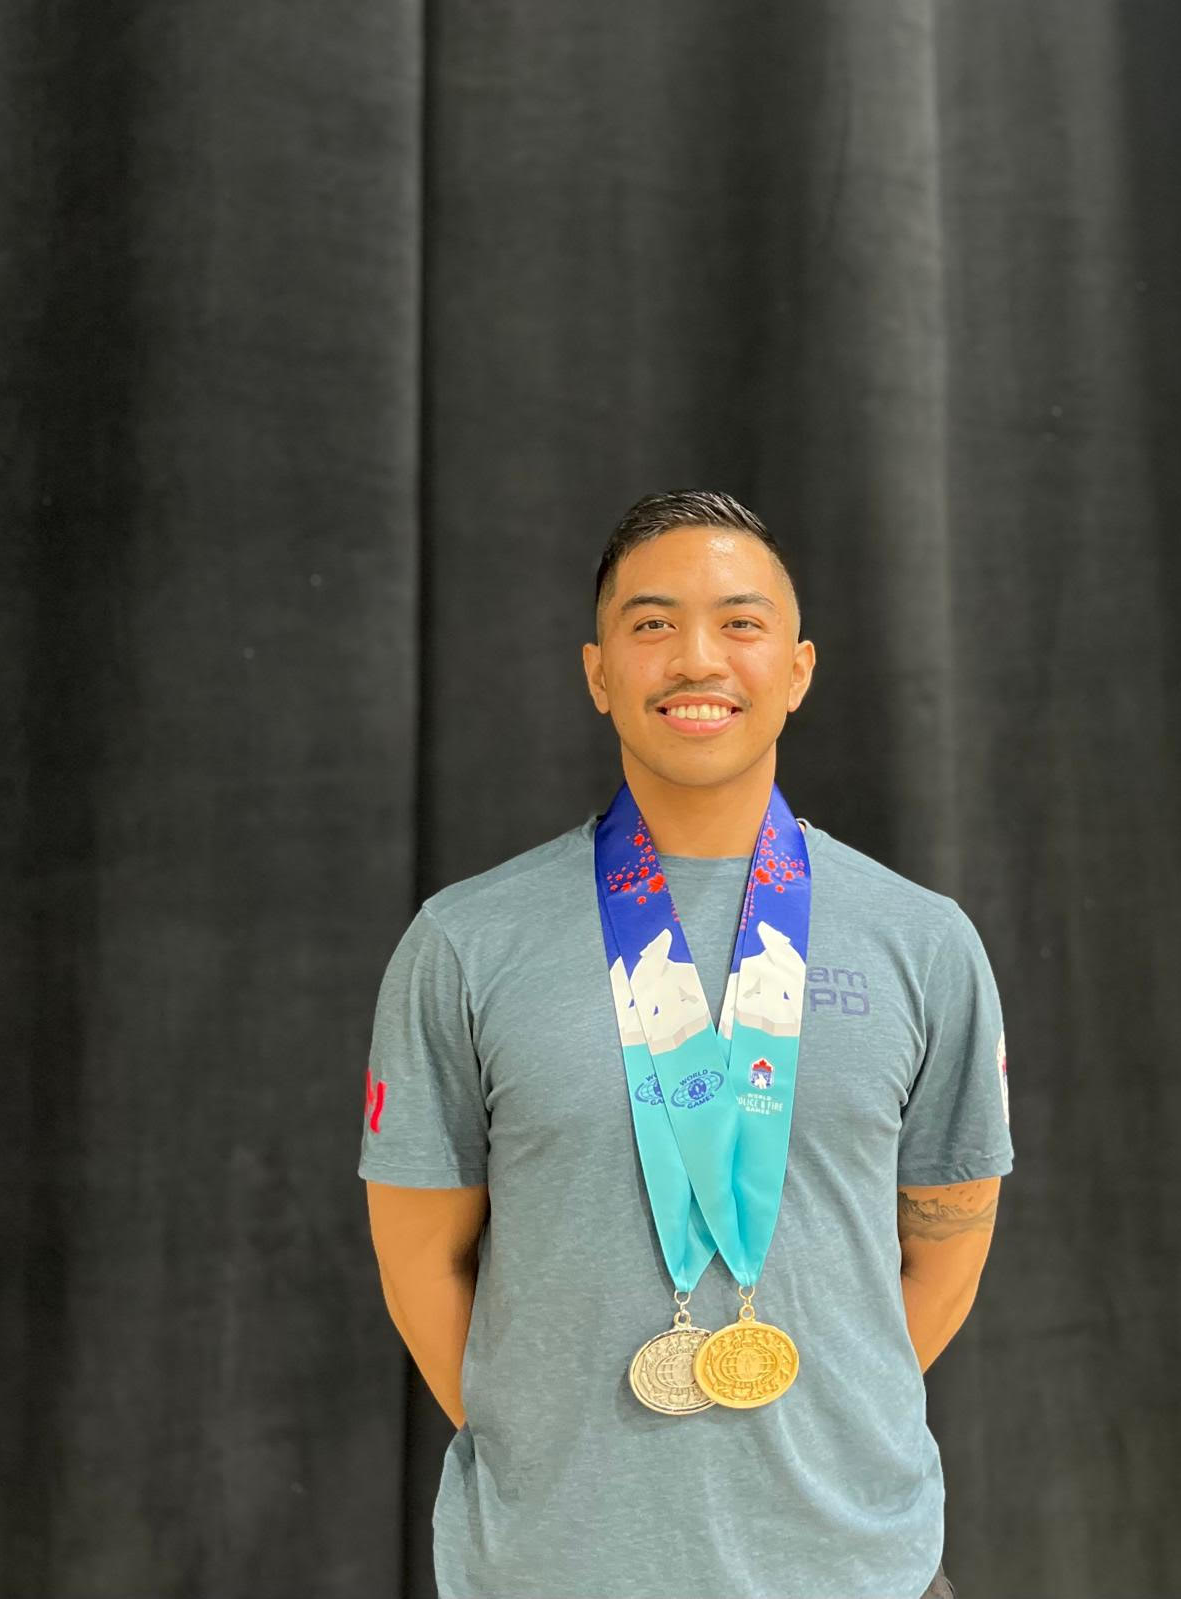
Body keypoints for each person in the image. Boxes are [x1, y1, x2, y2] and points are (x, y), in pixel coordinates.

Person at [359, 490, 1011, 1599]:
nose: (697, 658)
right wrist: (551, 1452)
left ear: (797, 671)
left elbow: (946, 1248)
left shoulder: (924, 942)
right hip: (555, 1571)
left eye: (740, 623)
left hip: (854, 1569)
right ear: (598, 672)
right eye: (652, 624)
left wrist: (830, 1424)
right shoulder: (464, 944)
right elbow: (420, 1260)